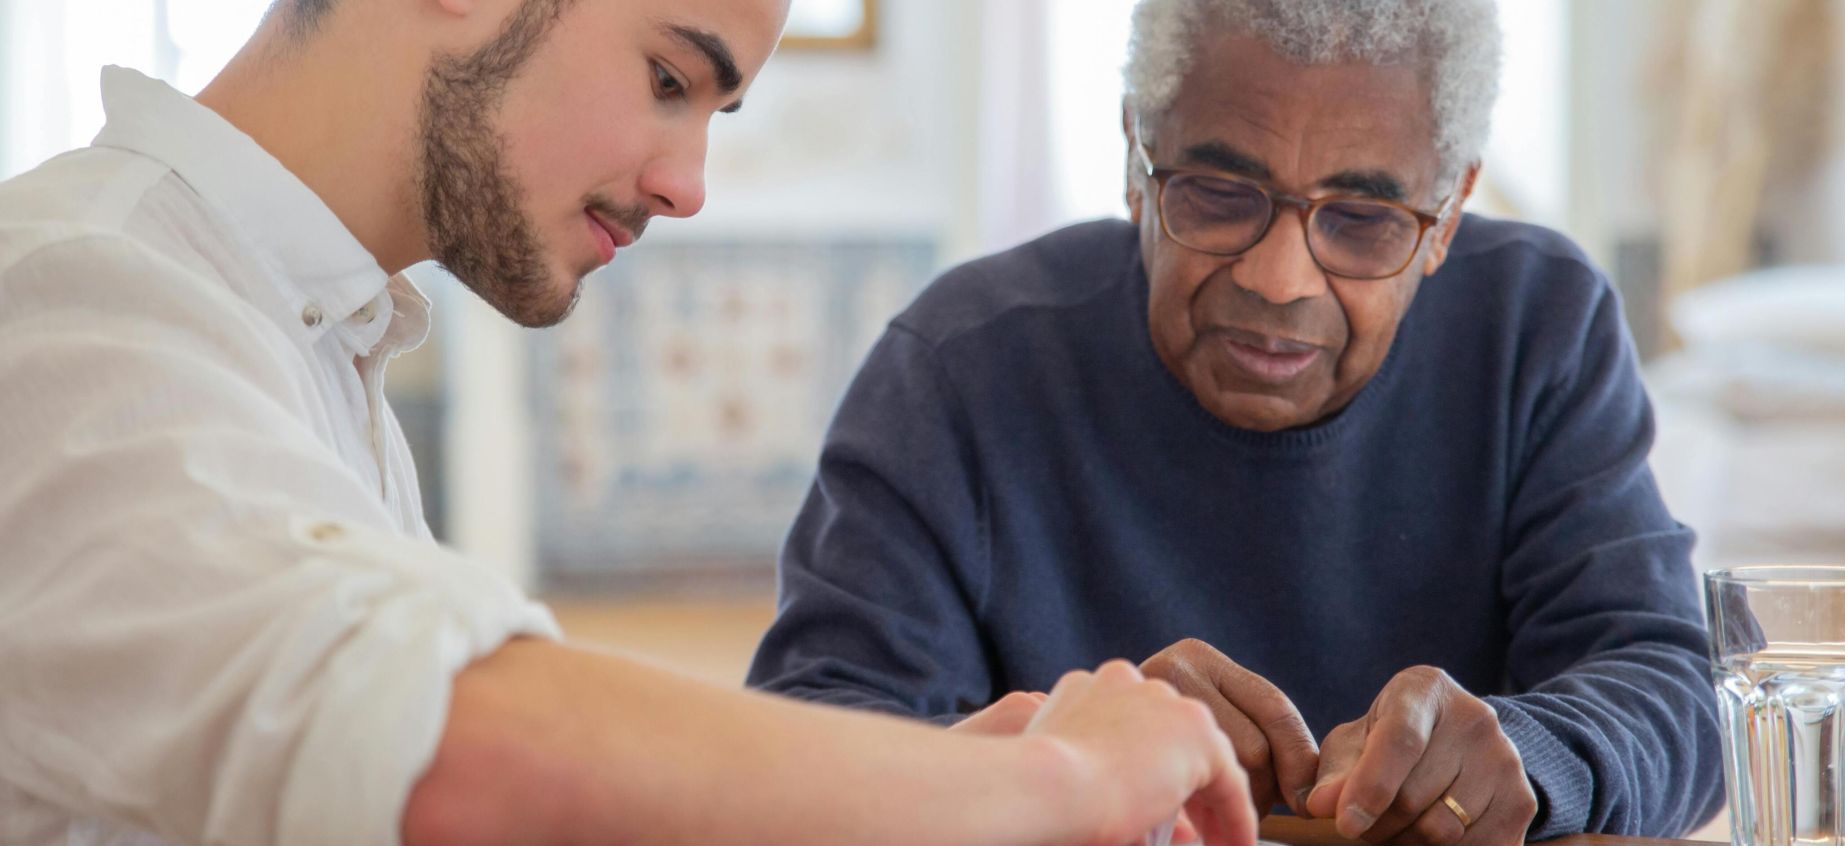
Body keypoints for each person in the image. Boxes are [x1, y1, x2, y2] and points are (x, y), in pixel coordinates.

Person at [0, 1, 1260, 844]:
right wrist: (1042, 786)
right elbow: (441, 746)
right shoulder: (67, 292)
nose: (688, 183)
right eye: (668, 78)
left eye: (710, 113)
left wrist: (922, 784)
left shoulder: (307, 338)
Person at [748, 0, 1724, 844]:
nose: (1279, 279)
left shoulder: (1536, 328)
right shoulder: (958, 369)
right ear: (1136, 158)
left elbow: (1675, 688)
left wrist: (1532, 749)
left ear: (1450, 211)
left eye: (1364, 219)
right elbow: (807, 758)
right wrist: (1074, 752)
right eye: (1218, 196)